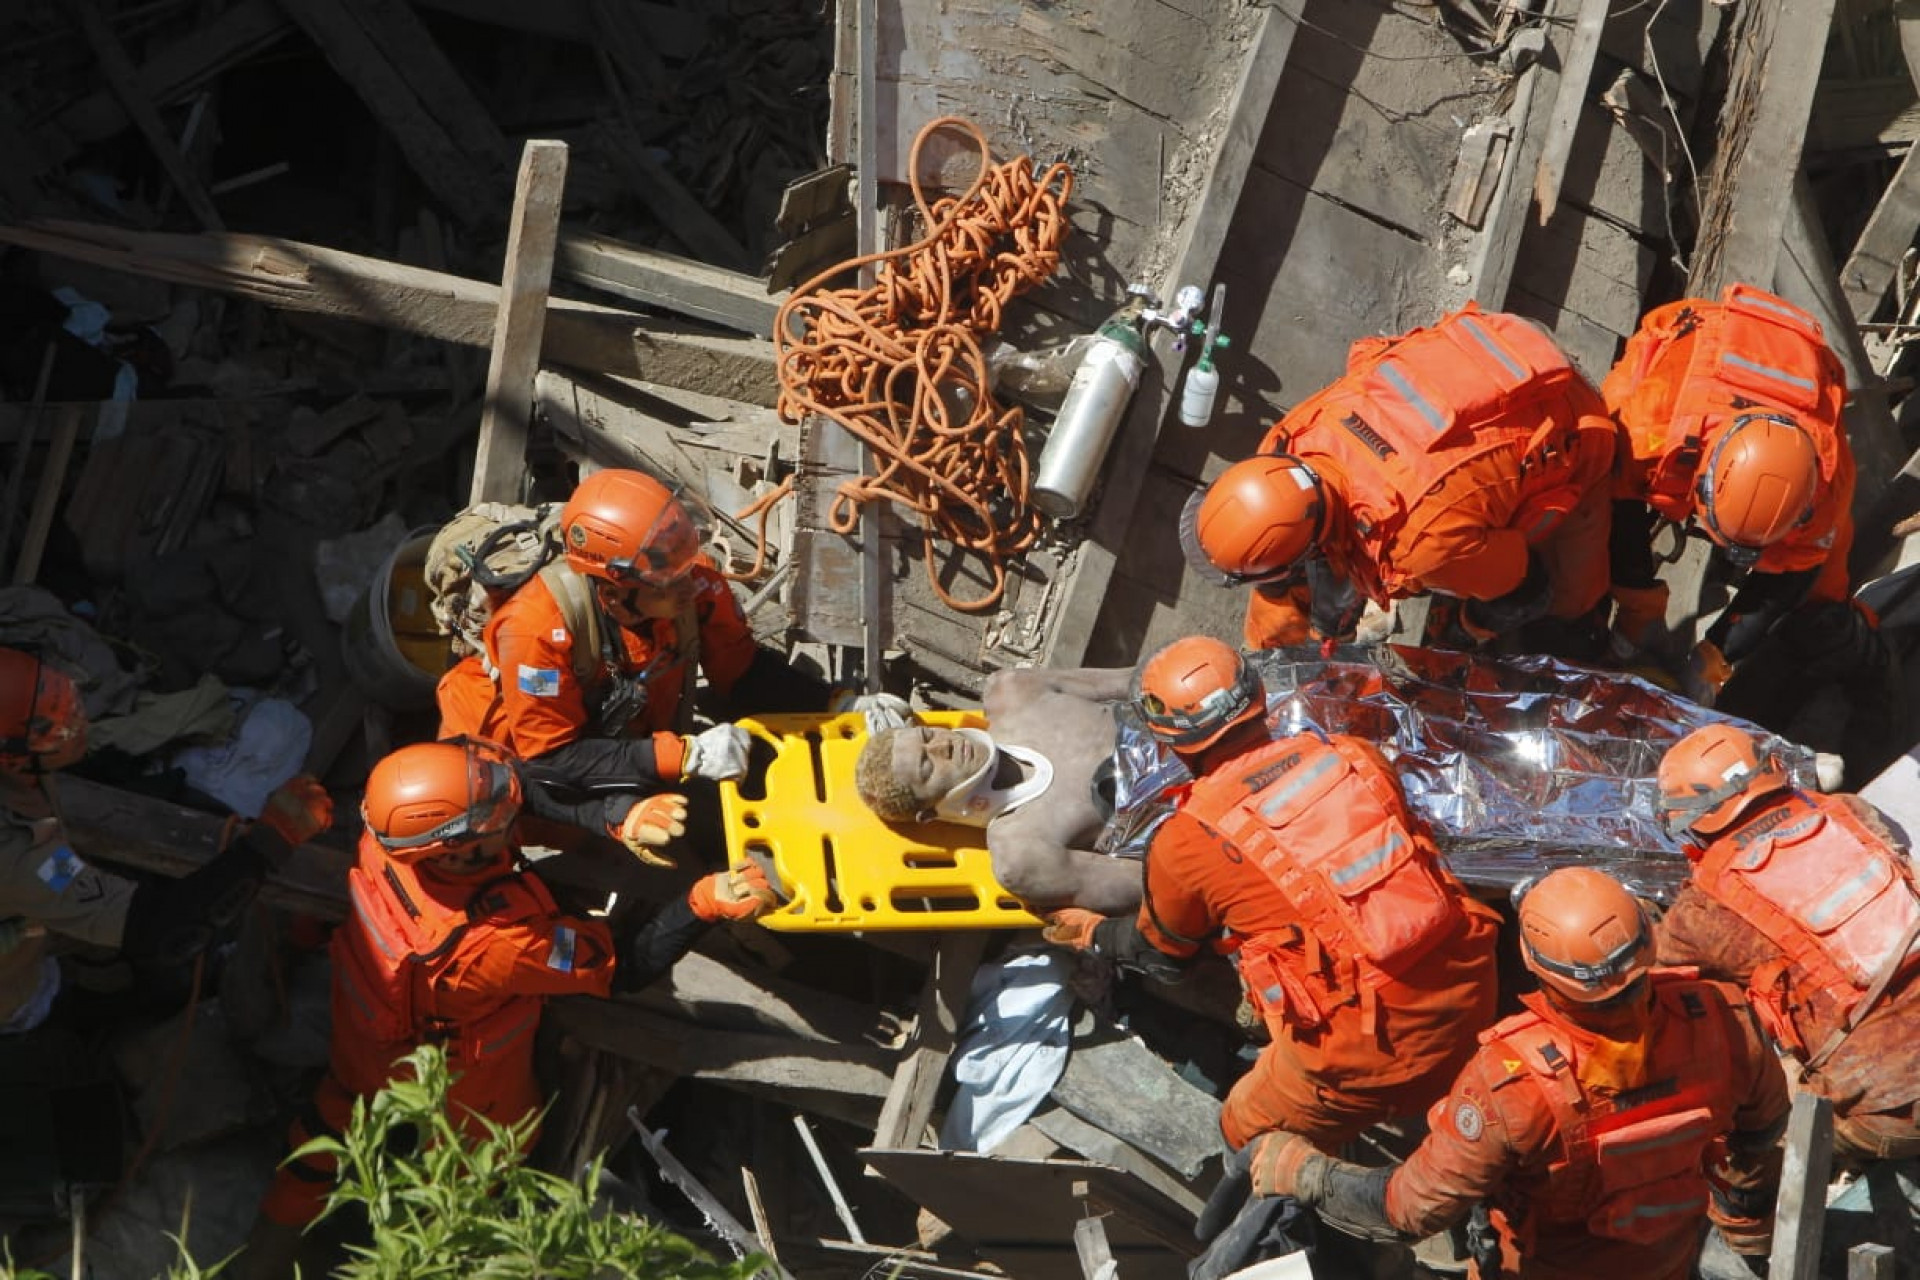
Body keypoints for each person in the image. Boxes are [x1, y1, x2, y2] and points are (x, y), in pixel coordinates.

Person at [245, 737, 777, 1269]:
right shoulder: (500, 941)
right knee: (471, 1182)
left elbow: (522, 782)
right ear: (454, 850)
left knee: (315, 1155)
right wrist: (703, 903)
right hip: (463, 1088)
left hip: (360, 1047)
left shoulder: (387, 841)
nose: (510, 806)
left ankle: (258, 1263)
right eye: (491, 814)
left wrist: (619, 817)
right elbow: (623, 966)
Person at [1043, 636, 1501, 1152]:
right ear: (1260, 698)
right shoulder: (1354, 756)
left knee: (1244, 1130)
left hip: (1372, 1053)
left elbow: (1165, 958)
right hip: (1473, 993)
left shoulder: (1187, 840)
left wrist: (1095, 934)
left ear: (1170, 743)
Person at [1246, 866, 1790, 1280]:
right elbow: (1760, 1133)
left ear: (1532, 963)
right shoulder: (1725, 1017)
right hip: (1667, 1262)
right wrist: (1744, 1235)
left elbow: (1409, 1209)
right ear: (1648, 943)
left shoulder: (1511, 1084)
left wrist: (1305, 1172)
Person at [1184, 304, 1615, 653]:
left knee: (1558, 598)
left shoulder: (1416, 546)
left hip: (1579, 418)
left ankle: (1463, 632)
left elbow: (1517, 575)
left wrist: (1462, 610)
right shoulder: (1295, 438)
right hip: (1503, 338)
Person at [435, 468, 841, 827]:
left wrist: (835, 704)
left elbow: (741, 669)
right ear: (614, 593)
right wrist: (680, 757)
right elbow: (552, 760)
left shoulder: (686, 586)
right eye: (669, 583)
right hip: (517, 774)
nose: (690, 586)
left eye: (686, 568)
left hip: (625, 738)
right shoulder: (536, 631)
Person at [0, 646, 331, 1033]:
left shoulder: (24, 780)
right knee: (50, 1002)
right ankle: (80, 1030)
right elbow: (165, 935)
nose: (78, 725)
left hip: (30, 909)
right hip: (16, 984)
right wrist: (273, 840)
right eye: (56, 728)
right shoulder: (24, 861)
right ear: (12, 758)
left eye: (69, 703)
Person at [1652, 722, 1920, 1162]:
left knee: (1743, 1126)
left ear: (1693, 821)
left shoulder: (1704, 910)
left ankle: (1747, 1225)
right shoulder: (1850, 812)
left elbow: (1652, 973)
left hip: (1893, 1111)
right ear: (1774, 769)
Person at [1599, 283, 1871, 704]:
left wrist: (1718, 652)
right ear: (1702, 478)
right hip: (1693, 345)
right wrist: (1637, 601)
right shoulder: (1648, 430)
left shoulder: (1828, 490)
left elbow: (1796, 571)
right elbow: (1622, 506)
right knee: (1592, 482)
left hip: (1807, 378)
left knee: (1823, 578)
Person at [853, 667, 1142, 913]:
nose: (944, 746)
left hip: (1176, 715)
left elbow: (1140, 676)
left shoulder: (1014, 691)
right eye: (927, 766)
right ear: (929, 813)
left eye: (928, 735)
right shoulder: (1021, 855)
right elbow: (1157, 886)